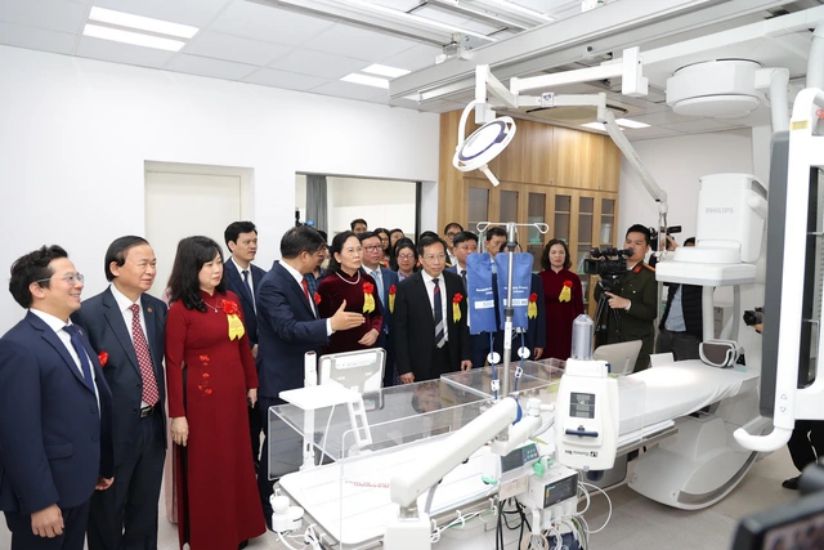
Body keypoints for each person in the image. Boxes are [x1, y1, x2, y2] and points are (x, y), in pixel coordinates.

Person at [0, 245, 114, 550]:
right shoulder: (18, 347)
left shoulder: (76, 334)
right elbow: (18, 435)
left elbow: (91, 402)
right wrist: (40, 502)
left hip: (79, 482)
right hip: (46, 495)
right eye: (69, 278)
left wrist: (101, 465)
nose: (79, 284)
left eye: (78, 276)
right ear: (37, 288)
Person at [255, 226, 364, 525]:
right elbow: (287, 329)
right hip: (281, 381)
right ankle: (268, 510)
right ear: (303, 255)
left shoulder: (304, 280)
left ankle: (297, 499)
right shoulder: (272, 285)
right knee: (278, 450)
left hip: (305, 379)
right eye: (318, 255)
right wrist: (331, 325)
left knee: (300, 445)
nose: (321, 261)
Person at [164, 236, 264, 549]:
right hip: (202, 401)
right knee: (210, 466)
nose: (217, 270)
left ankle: (240, 527)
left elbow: (243, 348)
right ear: (191, 268)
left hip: (234, 397)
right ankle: (214, 535)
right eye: (209, 265)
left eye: (219, 262)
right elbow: (172, 363)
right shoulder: (180, 309)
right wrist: (177, 414)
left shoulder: (231, 299)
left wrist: (252, 383)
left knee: (238, 460)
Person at [72, 236, 167, 550]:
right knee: (106, 517)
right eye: (143, 263)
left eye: (153, 263)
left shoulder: (156, 309)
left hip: (151, 426)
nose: (151, 270)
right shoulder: (88, 313)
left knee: (144, 514)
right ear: (115, 267)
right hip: (111, 433)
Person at [394, 236, 471, 382]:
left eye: (441, 256)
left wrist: (465, 355)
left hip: (451, 354)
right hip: (420, 359)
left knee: (450, 398)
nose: (437, 262)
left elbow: (462, 323)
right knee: (424, 402)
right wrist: (404, 368)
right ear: (421, 259)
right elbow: (400, 331)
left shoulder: (455, 282)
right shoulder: (406, 287)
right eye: (431, 257)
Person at [222, 221, 267, 471]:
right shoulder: (222, 277)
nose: (253, 246)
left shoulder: (261, 275)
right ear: (231, 245)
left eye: (255, 241)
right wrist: (248, 346)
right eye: (247, 242)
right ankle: (246, 464)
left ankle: (256, 463)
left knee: (259, 414)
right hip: (238, 356)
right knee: (243, 419)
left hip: (264, 358)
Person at [595, 224, 658, 371]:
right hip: (610, 340)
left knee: (633, 387)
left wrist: (627, 304)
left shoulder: (650, 275)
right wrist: (602, 279)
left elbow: (651, 312)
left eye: (638, 243)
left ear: (647, 248)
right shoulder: (614, 268)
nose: (631, 246)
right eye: (628, 242)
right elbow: (599, 298)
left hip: (635, 344)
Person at [317, 231, 383, 354]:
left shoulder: (367, 280)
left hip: (367, 348)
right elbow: (321, 322)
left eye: (359, 249)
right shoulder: (327, 285)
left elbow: (377, 314)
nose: (357, 255)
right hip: (338, 351)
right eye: (351, 250)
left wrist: (375, 331)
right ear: (337, 256)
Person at [359, 231, 400, 387]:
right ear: (360, 250)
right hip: (366, 339)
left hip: (389, 338)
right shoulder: (355, 276)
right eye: (370, 247)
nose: (376, 251)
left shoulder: (391, 275)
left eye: (378, 246)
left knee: (388, 381)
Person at [656, 237, 703, 361]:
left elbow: (698, 274)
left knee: (688, 376)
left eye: (691, 253)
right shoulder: (676, 273)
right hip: (666, 333)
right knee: (660, 372)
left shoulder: (704, 275)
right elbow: (656, 272)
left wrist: (679, 250)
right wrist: (660, 253)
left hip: (688, 337)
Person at [539, 239, 584, 360]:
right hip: (546, 329)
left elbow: (579, 308)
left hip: (567, 329)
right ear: (547, 256)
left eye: (561, 252)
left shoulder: (574, 278)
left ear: (566, 256)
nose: (557, 256)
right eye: (553, 252)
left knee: (565, 365)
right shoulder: (540, 278)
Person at [447, 231, 487, 368]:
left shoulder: (485, 275)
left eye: (474, 248)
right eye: (465, 248)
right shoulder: (446, 275)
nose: (470, 251)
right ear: (454, 250)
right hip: (453, 334)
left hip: (478, 334)